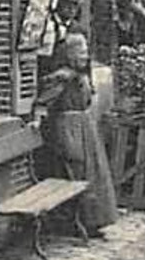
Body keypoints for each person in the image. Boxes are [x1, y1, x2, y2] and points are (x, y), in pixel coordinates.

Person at [35, 30, 118, 237]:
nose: (84, 56)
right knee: (76, 172)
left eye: (85, 51)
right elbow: (43, 102)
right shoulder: (62, 77)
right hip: (68, 129)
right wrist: (37, 120)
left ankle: (93, 220)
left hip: (85, 127)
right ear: (69, 54)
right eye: (79, 52)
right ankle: (75, 222)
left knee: (94, 174)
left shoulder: (81, 76)